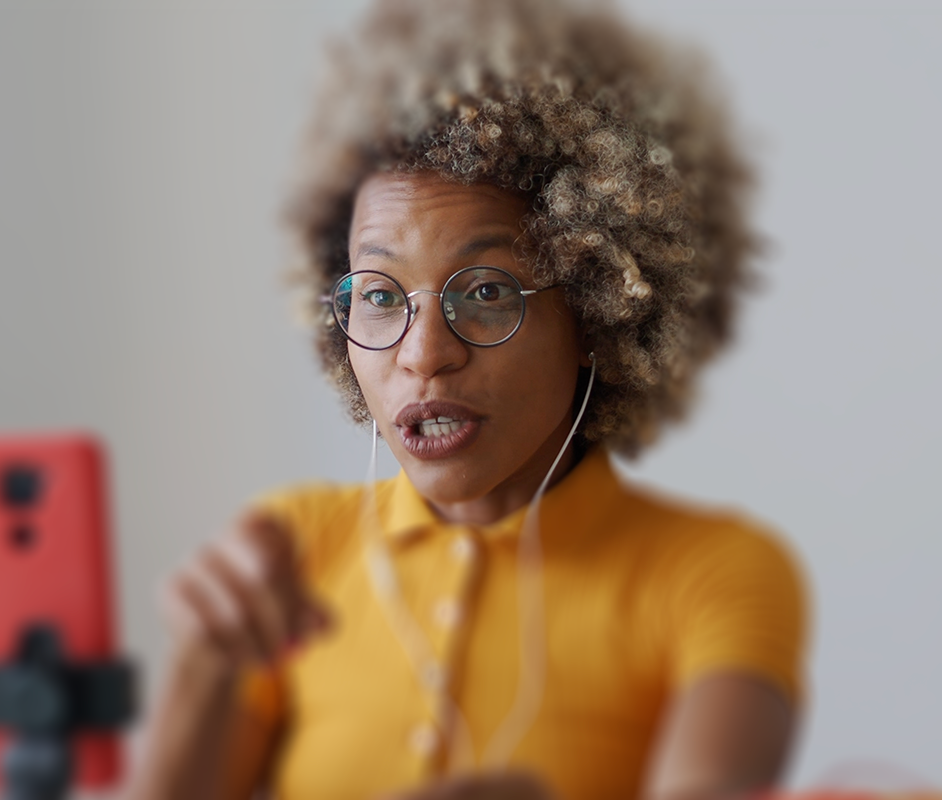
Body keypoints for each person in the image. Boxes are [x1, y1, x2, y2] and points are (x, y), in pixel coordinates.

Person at [130, 1, 808, 798]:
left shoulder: (711, 574)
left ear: (597, 310)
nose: (423, 355)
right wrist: (206, 665)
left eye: (485, 291)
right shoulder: (295, 549)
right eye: (379, 296)